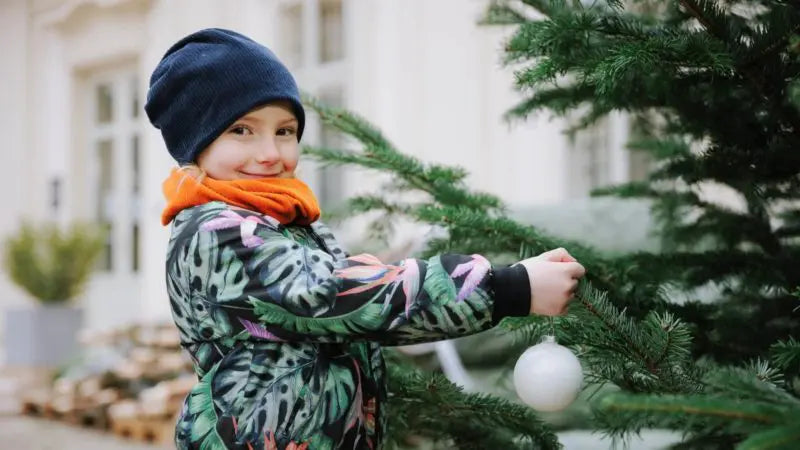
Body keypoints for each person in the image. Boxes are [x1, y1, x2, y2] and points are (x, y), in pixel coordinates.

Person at [145, 28, 586, 450]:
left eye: (284, 130)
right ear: (195, 141)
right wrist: (510, 288)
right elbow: (336, 297)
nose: (270, 152)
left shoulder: (288, 222)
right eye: (242, 130)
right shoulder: (216, 230)